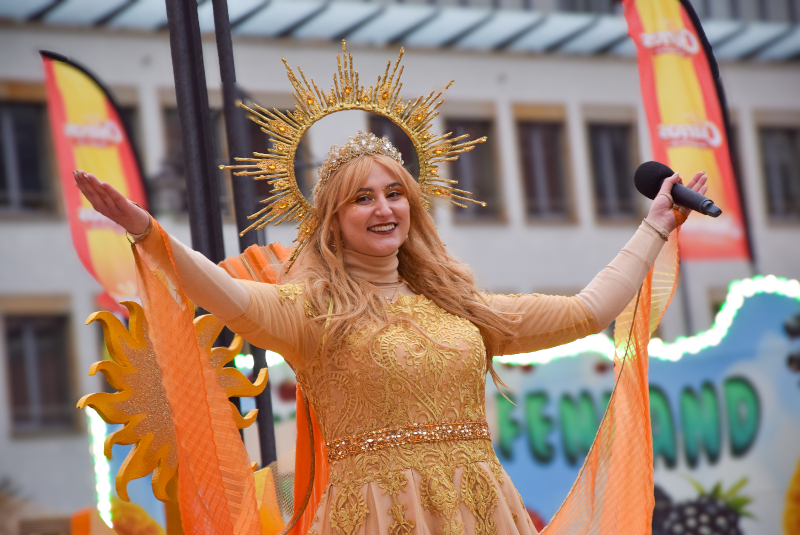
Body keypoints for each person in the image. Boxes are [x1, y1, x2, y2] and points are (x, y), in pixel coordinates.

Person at [74, 132, 706, 534]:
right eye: (362, 199)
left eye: (394, 193)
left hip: (481, 513)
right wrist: (148, 232)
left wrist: (654, 227)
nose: (383, 209)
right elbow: (227, 295)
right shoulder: (311, 313)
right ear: (333, 220)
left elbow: (588, 312)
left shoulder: (462, 306)